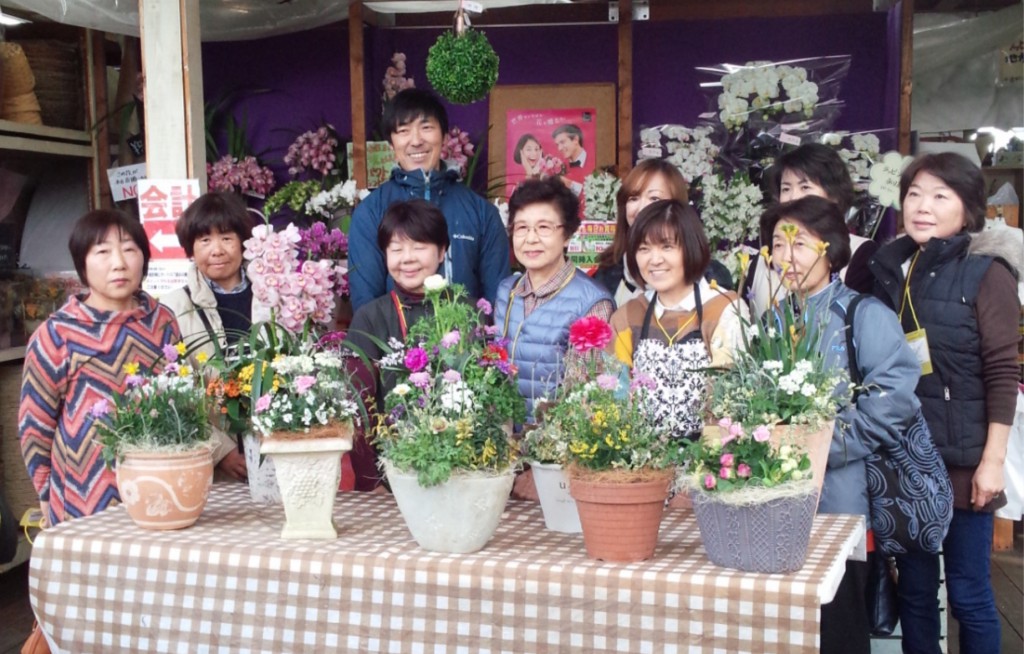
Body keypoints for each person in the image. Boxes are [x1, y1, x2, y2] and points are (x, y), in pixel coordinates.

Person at [869, 152, 1020, 654]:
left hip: (963, 463)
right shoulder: (891, 267)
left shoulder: (987, 273)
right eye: (914, 194)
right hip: (906, 459)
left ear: (968, 208)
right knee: (914, 593)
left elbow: (1003, 372)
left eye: (939, 195)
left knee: (968, 594)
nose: (922, 206)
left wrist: (992, 462)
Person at [763, 196, 922, 654]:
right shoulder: (773, 320)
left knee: (839, 629)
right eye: (778, 244)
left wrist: (818, 448)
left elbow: (893, 402)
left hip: (845, 502)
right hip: (779, 503)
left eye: (799, 243)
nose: (786, 257)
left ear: (830, 249)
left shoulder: (862, 314)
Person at [19, 210, 180, 527]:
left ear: (144, 258)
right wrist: (45, 492)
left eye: (129, 249)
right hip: (85, 499)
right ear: (82, 264)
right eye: (103, 252)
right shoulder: (57, 335)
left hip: (162, 489)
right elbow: (34, 424)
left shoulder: (163, 321)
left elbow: (181, 399)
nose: (119, 263)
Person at [349, 88, 509, 312]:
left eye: (426, 127)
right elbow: (366, 305)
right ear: (391, 144)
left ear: (444, 137)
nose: (416, 141)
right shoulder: (371, 212)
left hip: (466, 333)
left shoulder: (481, 212)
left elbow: (497, 301)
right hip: (395, 334)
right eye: (403, 131)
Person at [607, 200, 745, 441]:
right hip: (640, 454)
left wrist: (704, 456)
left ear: (691, 248)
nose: (654, 259)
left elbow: (728, 398)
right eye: (644, 248)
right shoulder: (627, 316)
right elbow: (615, 394)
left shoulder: (723, 308)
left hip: (709, 454)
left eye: (667, 247)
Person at [345, 200, 450, 490]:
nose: (407, 259)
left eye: (419, 247)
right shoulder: (370, 317)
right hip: (391, 475)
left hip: (460, 470)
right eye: (396, 249)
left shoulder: (467, 311)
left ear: (442, 251)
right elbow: (358, 407)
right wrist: (372, 482)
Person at [493, 177, 613, 422]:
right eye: (522, 227)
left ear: (567, 234)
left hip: (557, 436)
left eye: (544, 227)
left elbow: (584, 393)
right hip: (504, 436)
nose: (531, 239)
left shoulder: (592, 302)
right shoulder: (507, 291)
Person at [160, 191, 258, 481]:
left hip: (274, 446)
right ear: (190, 248)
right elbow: (175, 393)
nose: (217, 250)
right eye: (205, 240)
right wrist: (222, 452)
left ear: (243, 242)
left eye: (227, 238)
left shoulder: (272, 295)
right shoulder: (174, 307)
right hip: (214, 465)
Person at [746, 143, 879, 317]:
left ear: (835, 195)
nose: (793, 197)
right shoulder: (766, 257)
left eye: (805, 187)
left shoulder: (860, 253)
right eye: (786, 189)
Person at [593, 158, 733, 307]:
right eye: (633, 198)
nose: (641, 208)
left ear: (677, 206)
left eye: (654, 198)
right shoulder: (608, 274)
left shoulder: (711, 277)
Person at [553, 123, 591, 197]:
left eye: (562, 142)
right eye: (557, 144)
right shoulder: (561, 167)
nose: (559, 148)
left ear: (575, 140)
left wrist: (570, 185)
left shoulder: (595, 159)